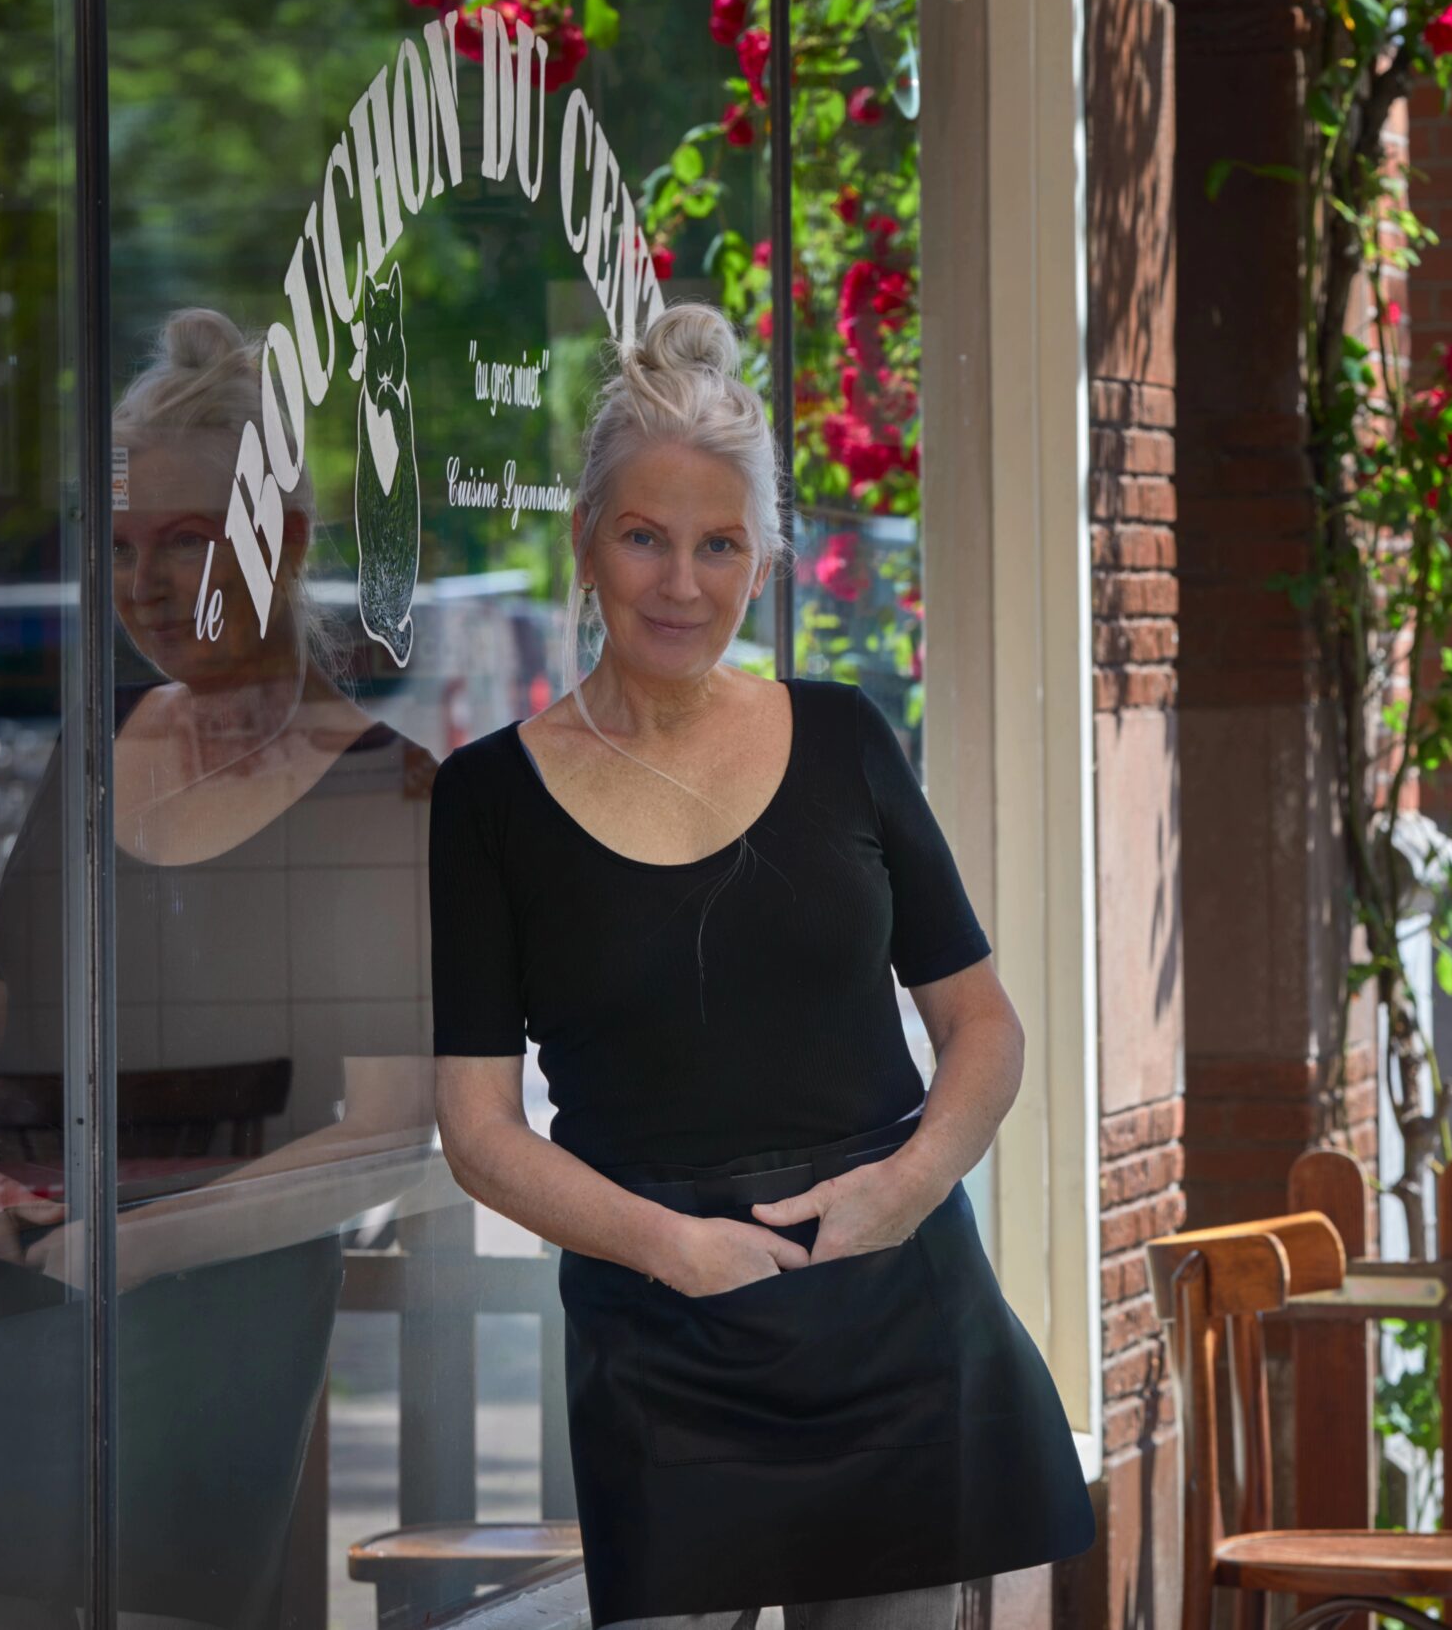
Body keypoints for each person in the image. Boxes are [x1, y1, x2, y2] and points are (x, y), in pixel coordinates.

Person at [430, 300, 1094, 1628]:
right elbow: (478, 1129)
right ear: (587, 541)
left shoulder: (845, 740)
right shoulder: (488, 799)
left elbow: (984, 1029)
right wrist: (670, 1249)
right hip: (657, 1329)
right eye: (645, 539)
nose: (682, 585)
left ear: (765, 558)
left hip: (890, 1304)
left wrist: (902, 1192)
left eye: (719, 546)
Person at [0, 308, 438, 1629]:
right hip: (9, 1309)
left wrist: (131, 1249)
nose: (143, 581)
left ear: (285, 537)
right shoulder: (101, 747)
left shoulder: (384, 794)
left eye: (186, 539)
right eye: (122, 547)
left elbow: (391, 1133)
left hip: (210, 1343)